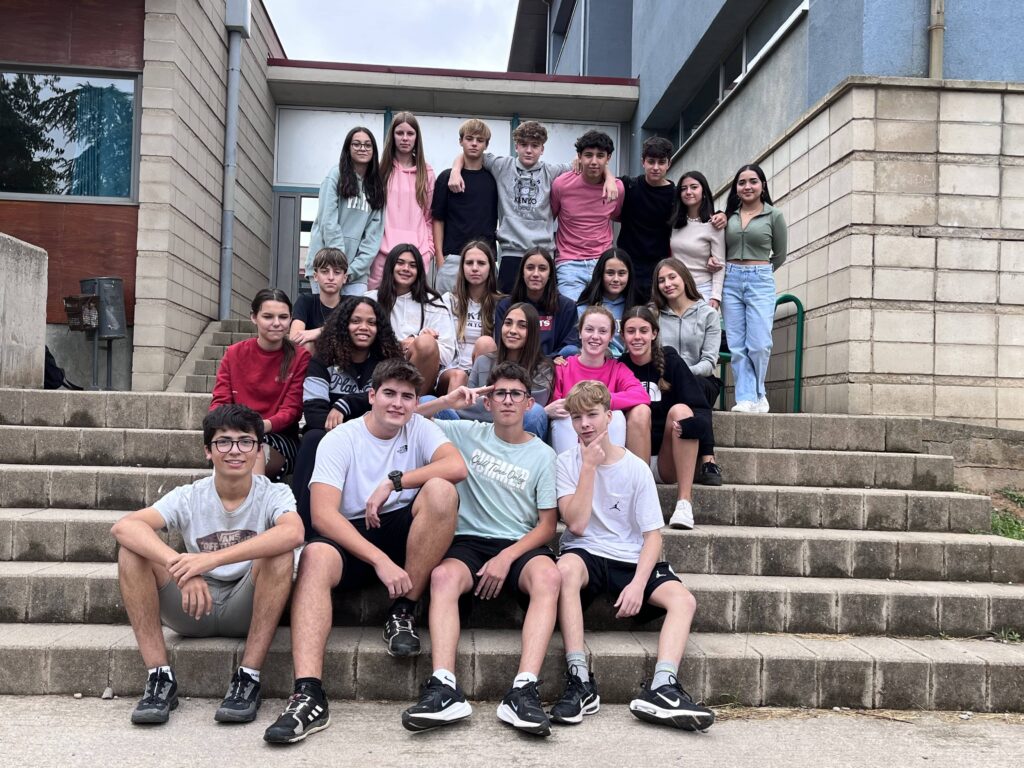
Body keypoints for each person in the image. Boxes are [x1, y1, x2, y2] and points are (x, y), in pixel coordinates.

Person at [264, 359, 467, 744]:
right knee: (314, 557)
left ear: (416, 402)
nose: (398, 403)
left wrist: (394, 483)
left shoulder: (420, 427)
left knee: (442, 491)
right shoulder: (341, 439)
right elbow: (323, 515)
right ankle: (308, 694)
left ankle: (403, 609)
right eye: (389, 393)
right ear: (372, 396)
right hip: (350, 534)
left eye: (407, 396)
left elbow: (456, 466)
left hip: (397, 526)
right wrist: (380, 561)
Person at [112, 404, 304, 725]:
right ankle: (159, 679)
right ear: (207, 451)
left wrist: (210, 559)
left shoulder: (274, 493)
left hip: (247, 606)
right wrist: (182, 567)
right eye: (223, 441)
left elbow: (294, 533)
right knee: (131, 551)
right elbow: (125, 526)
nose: (235, 450)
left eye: (245, 441)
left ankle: (248, 678)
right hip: (192, 608)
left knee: (280, 551)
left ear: (258, 450)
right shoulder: (189, 495)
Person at [403, 362, 561, 736]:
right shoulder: (465, 433)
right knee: (442, 577)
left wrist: (507, 557)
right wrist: (447, 401)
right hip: (469, 540)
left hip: (518, 543)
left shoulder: (543, 455)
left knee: (549, 577)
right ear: (487, 402)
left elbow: (547, 526)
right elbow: (408, 419)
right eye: (499, 393)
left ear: (529, 404)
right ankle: (444, 687)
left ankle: (523, 690)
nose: (507, 400)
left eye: (516, 394)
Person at [548, 381, 714, 732]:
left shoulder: (636, 468)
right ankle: (580, 680)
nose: (584, 424)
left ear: (609, 417)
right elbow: (576, 524)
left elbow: (653, 536)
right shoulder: (565, 463)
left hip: (629, 557)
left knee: (683, 601)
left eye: (592, 415)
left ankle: (663, 687)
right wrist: (588, 467)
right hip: (586, 552)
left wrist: (639, 584)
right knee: (564, 570)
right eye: (576, 418)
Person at [447, 120, 616, 292]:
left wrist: (609, 178)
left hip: (542, 252)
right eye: (524, 145)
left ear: (542, 149)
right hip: (511, 252)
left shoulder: (552, 171)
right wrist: (455, 170)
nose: (529, 150)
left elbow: (589, 164)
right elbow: (471, 154)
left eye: (535, 146)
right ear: (516, 146)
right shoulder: (502, 165)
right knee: (508, 303)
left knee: (543, 305)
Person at [292, 296, 404, 537]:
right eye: (356, 321)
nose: (364, 327)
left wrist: (345, 404)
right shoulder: (323, 360)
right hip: (331, 432)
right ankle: (302, 529)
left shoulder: (387, 362)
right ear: (344, 325)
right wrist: (346, 432)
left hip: (375, 433)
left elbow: (393, 401)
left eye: (371, 322)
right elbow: (314, 411)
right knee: (312, 438)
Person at [619, 306, 714, 530]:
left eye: (643, 330)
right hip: (633, 458)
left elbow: (700, 407)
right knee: (640, 410)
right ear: (622, 336)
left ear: (654, 333)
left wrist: (701, 440)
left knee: (682, 411)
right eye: (631, 331)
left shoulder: (671, 361)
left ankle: (684, 503)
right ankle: (640, 501)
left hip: (667, 460)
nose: (637, 337)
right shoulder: (620, 366)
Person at [210, 289, 310, 481]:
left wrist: (257, 427)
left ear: (290, 319)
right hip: (235, 433)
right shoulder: (234, 353)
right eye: (268, 316)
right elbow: (220, 402)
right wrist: (233, 429)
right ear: (254, 317)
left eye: (283, 317)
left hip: (279, 438)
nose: (276, 323)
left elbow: (292, 410)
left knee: (250, 450)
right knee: (235, 447)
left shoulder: (300, 357)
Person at [651, 259, 724, 486]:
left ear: (684, 277)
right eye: (661, 280)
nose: (667, 284)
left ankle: (708, 458)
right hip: (665, 381)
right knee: (687, 391)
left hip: (702, 380)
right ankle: (708, 460)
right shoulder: (654, 315)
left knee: (695, 388)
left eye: (672, 277)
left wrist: (683, 374)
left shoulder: (708, 314)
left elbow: (709, 361)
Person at [431, 302, 552, 439]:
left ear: (533, 332)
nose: (512, 330)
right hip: (477, 431)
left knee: (535, 413)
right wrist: (503, 405)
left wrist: (487, 401)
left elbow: (529, 409)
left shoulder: (543, 368)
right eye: (508, 323)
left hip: (514, 435)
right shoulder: (483, 361)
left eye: (522, 326)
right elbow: (466, 405)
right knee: (428, 401)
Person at [723, 163, 788, 414]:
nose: (747, 186)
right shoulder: (728, 216)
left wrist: (760, 271)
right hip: (730, 280)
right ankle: (745, 397)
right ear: (736, 188)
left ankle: (759, 393)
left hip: (760, 279)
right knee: (737, 344)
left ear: (763, 185)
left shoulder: (774, 216)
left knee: (759, 343)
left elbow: (780, 254)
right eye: (742, 182)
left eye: (753, 181)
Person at [546, 306, 650, 456]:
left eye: (602, 331)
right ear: (580, 333)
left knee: (616, 416)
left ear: (611, 337)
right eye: (589, 329)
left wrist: (596, 401)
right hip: (570, 442)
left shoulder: (617, 369)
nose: (595, 336)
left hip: (604, 446)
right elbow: (556, 406)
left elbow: (641, 395)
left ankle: (611, 468)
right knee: (564, 419)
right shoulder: (563, 367)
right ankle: (570, 469)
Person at [367, 244, 457, 396]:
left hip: (419, 379)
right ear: (390, 266)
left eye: (412, 265)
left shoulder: (433, 302)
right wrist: (400, 345)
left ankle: (410, 402)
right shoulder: (370, 300)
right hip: (377, 370)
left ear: (420, 271)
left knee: (426, 342)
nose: (406, 269)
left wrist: (417, 344)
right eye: (400, 263)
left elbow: (448, 352)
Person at [306, 126, 385, 296]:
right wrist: (339, 267)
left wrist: (352, 270)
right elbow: (328, 222)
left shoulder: (376, 186)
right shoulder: (335, 175)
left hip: (356, 274)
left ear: (374, 150)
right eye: (356, 144)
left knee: (355, 314)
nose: (362, 148)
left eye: (367, 145)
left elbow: (373, 237)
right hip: (325, 267)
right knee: (324, 314)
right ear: (348, 148)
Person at [550, 130, 624, 301]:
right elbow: (550, 217)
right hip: (569, 262)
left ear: (608, 158)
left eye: (600, 156)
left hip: (603, 262)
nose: (594, 161)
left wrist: (609, 178)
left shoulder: (617, 188)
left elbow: (616, 215)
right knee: (572, 312)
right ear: (579, 157)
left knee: (608, 315)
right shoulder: (561, 184)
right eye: (588, 155)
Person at [431, 119, 498, 294]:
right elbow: (438, 220)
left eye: (480, 140)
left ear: (486, 145)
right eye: (469, 138)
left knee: (483, 310)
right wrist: (440, 259)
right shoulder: (446, 178)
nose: (474, 143)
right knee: (447, 309)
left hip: (485, 260)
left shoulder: (494, 179)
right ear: (461, 141)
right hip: (452, 259)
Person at [369, 112, 435, 290]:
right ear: (392, 136)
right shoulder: (380, 171)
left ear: (416, 138)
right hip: (381, 255)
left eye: (410, 133)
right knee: (377, 304)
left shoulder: (427, 173)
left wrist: (428, 251)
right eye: (399, 133)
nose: (405, 138)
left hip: (416, 256)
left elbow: (429, 217)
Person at [615, 137, 677, 296]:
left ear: (669, 164)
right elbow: (596, 178)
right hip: (627, 265)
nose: (656, 167)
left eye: (661, 162)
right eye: (651, 161)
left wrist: (720, 216)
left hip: (659, 267)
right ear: (643, 162)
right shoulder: (628, 185)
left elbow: (698, 212)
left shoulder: (676, 195)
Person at [493, 246, 579, 359]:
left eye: (542, 269)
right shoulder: (505, 305)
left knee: (572, 350)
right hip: (516, 363)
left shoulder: (567, 306)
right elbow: (502, 343)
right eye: (530, 268)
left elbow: (570, 345)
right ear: (522, 272)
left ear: (550, 274)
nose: (535, 274)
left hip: (553, 364)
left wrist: (548, 362)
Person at [438, 240, 501, 393]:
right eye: (469, 263)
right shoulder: (448, 300)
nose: (474, 268)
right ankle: (453, 409)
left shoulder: (500, 304)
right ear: (462, 268)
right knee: (459, 376)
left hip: (484, 372)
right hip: (452, 371)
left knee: (485, 343)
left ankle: (481, 401)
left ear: (490, 268)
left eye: (481, 263)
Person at [670, 170, 726, 310]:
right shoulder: (675, 223)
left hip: (703, 290)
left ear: (704, 191)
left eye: (694, 187)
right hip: (676, 289)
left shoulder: (714, 224)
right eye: (684, 189)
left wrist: (715, 296)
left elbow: (720, 264)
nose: (688, 192)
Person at [572, 247, 640, 358]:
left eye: (621, 273)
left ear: (629, 275)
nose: (616, 279)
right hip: (595, 362)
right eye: (610, 273)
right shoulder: (583, 309)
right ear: (600, 274)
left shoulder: (638, 308)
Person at [290, 247, 348, 354]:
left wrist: (319, 331)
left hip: (345, 358)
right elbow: (295, 338)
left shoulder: (351, 304)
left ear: (344, 278)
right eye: (325, 272)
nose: (331, 277)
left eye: (337, 272)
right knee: (306, 345)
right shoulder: (305, 301)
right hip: (314, 359)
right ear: (316, 276)